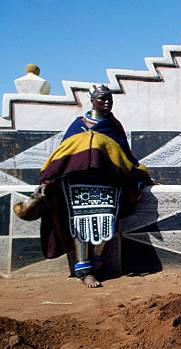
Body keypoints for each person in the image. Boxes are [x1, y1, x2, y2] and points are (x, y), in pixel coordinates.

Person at [33, 84, 153, 288]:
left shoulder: (113, 126)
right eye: (102, 99)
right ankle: (84, 271)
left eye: (109, 99)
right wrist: (47, 179)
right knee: (81, 224)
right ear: (92, 101)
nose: (107, 103)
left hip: (106, 185)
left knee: (105, 223)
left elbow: (124, 155)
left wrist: (139, 175)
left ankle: (96, 264)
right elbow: (63, 154)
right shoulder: (78, 125)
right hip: (77, 185)